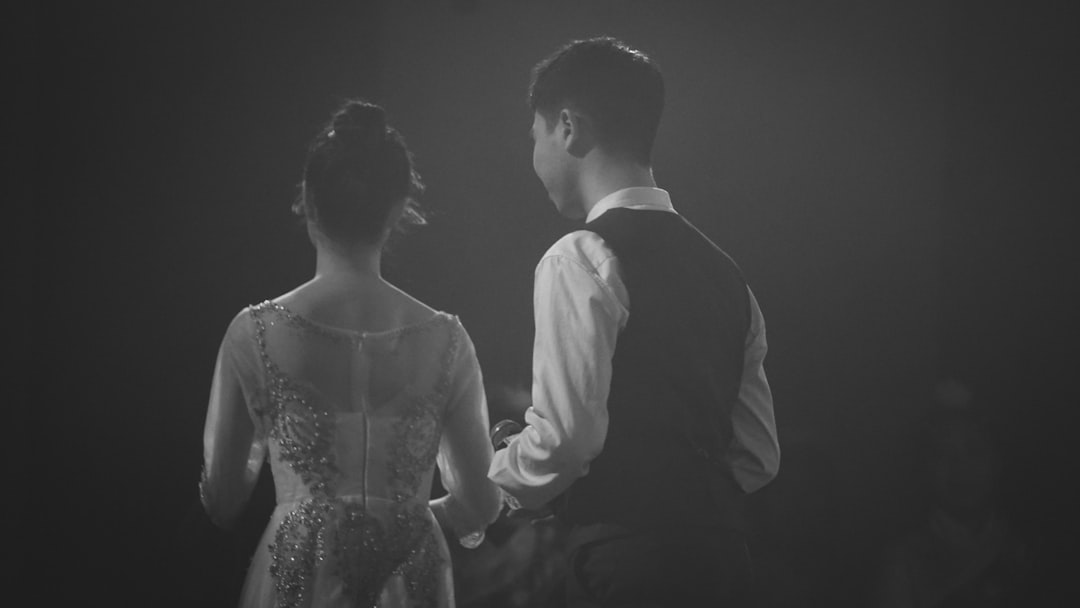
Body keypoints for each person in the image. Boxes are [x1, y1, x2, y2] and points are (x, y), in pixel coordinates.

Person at [487, 37, 781, 606]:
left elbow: (567, 442)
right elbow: (758, 454)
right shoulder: (728, 276)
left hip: (625, 561)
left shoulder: (579, 256)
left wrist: (491, 483)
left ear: (568, 127)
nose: (534, 158)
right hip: (725, 560)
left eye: (535, 136)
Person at [199, 99, 502, 608]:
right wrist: (404, 515)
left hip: (300, 573)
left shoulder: (255, 333)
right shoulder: (446, 340)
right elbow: (480, 501)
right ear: (399, 208)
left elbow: (224, 501)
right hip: (410, 574)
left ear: (306, 200)